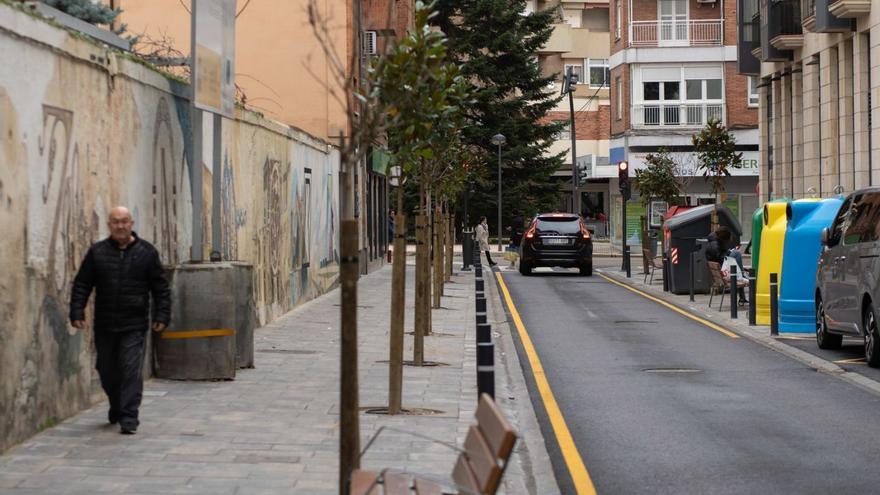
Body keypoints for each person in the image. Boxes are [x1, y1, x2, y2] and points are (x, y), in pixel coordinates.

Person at [69, 206, 171, 435]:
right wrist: (77, 312)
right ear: (109, 225)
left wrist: (162, 316)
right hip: (105, 323)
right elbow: (82, 284)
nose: (120, 225)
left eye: (124, 221)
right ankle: (116, 404)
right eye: (115, 222)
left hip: (134, 324)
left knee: (130, 369)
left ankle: (129, 417)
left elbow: (160, 288)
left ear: (131, 223)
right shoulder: (98, 253)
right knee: (105, 369)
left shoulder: (147, 253)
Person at [706, 226, 746, 304]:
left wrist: (728, 252)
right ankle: (742, 275)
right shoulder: (715, 244)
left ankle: (741, 276)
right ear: (723, 237)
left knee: (735, 255)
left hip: (719, 272)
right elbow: (721, 258)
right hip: (723, 271)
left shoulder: (713, 242)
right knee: (737, 254)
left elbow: (719, 255)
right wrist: (728, 253)